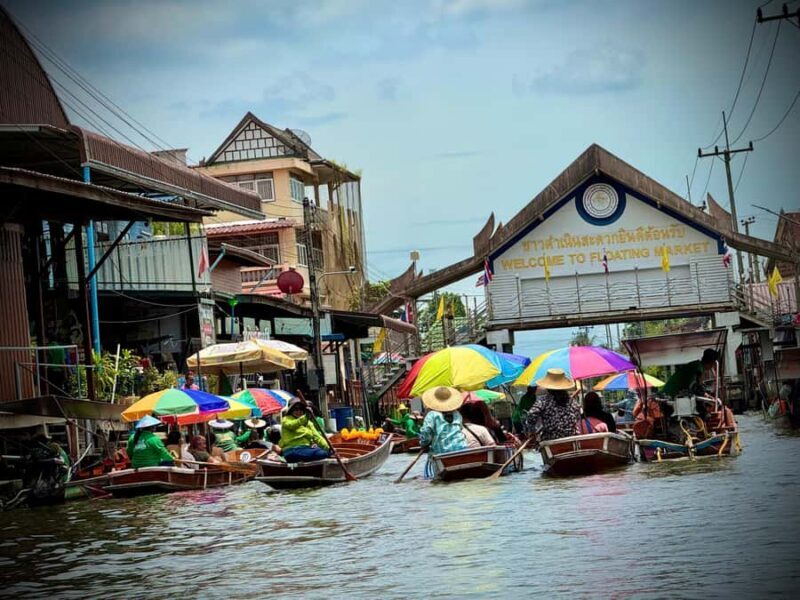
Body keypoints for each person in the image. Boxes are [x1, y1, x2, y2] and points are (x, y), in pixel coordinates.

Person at [523, 369, 580, 442]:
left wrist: (532, 431)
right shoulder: (572, 402)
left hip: (551, 441)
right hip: (572, 440)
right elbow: (577, 417)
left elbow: (531, 414)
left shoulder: (543, 401)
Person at [418, 386, 469, 454]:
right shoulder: (457, 414)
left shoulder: (432, 415)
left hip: (441, 451)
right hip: (462, 447)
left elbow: (426, 432)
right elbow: (460, 429)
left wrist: (423, 444)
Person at [279, 398, 332, 462]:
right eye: (296, 409)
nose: (298, 411)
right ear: (291, 410)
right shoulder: (286, 419)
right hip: (291, 451)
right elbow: (293, 425)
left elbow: (317, 437)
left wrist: (329, 448)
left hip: (305, 449)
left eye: (301, 409)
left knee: (325, 452)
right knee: (322, 453)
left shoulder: (309, 423)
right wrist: (306, 416)